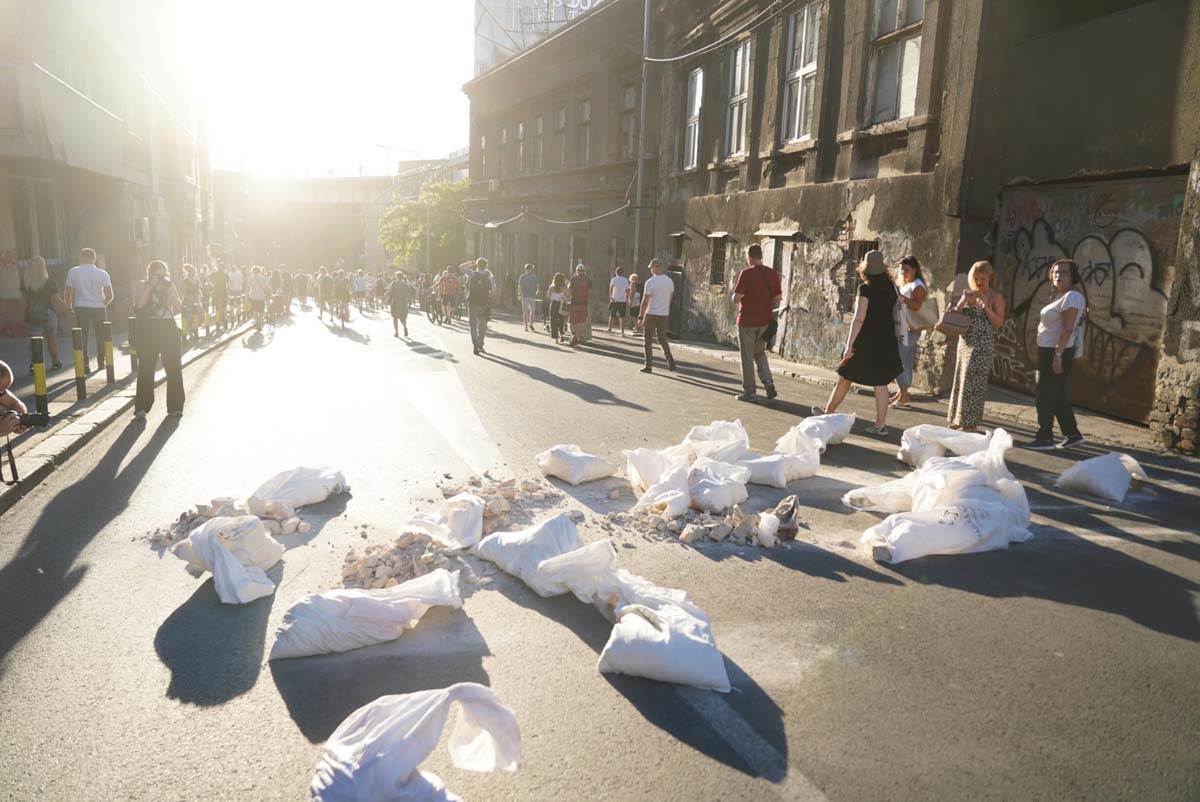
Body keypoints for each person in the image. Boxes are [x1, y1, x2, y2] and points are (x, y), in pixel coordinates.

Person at [813, 250, 902, 436]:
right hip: (886, 340)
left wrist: (849, 345)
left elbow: (859, 318)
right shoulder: (892, 287)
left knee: (845, 376)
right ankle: (880, 425)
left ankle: (828, 411)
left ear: (864, 269)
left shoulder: (865, 288)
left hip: (865, 340)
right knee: (881, 382)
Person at [1027, 259, 1088, 450]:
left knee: (1044, 394)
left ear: (1073, 276)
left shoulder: (1072, 297)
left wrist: (1058, 355)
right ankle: (1072, 434)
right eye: (1055, 272)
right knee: (1058, 393)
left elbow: (1068, 328)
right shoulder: (1061, 296)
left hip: (1055, 351)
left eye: (1064, 272)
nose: (1058, 275)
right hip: (1049, 350)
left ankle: (1045, 437)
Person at [947, 260, 1006, 432]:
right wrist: (962, 301)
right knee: (961, 380)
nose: (979, 282)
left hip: (982, 345)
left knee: (974, 384)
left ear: (990, 278)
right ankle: (959, 418)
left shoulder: (996, 297)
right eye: (976, 278)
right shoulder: (969, 294)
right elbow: (954, 316)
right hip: (965, 343)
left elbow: (999, 322)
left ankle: (970, 424)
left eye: (983, 278)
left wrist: (986, 307)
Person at [132, 260, 184, 418]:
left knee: (173, 367)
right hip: (149, 330)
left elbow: (178, 307)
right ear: (150, 273)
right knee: (146, 368)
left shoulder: (169, 285)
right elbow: (139, 305)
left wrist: (168, 289)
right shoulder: (142, 285)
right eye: (157, 274)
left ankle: (175, 407)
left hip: (168, 327)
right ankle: (142, 407)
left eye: (163, 274)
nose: (161, 277)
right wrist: (151, 285)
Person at [731, 244, 781, 402]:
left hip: (747, 321)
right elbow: (777, 298)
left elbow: (737, 298)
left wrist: (735, 297)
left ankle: (750, 392)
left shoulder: (746, 274)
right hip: (765, 321)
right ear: (761, 256)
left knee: (746, 356)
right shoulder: (772, 273)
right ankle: (768, 383)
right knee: (759, 354)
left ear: (749, 256)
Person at [64, 247, 113, 373]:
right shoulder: (103, 273)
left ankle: (84, 365)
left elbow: (68, 292)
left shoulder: (73, 272)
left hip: (81, 307)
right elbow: (110, 295)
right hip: (98, 308)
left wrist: (69, 308)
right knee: (100, 335)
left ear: (81, 257)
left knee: (83, 336)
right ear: (94, 258)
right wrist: (103, 304)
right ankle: (101, 362)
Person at [891, 255, 928, 409]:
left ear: (914, 270)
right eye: (901, 270)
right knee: (901, 360)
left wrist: (902, 299)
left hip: (910, 329)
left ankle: (905, 395)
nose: (903, 272)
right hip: (902, 327)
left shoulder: (918, 285)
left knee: (901, 361)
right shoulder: (907, 283)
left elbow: (917, 306)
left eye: (906, 270)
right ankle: (902, 392)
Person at [20, 256, 64, 370]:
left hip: (32, 315)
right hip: (49, 314)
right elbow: (56, 299)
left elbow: (24, 300)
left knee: (33, 341)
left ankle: (34, 365)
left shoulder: (25, 283)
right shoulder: (49, 282)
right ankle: (55, 362)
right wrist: (66, 309)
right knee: (51, 338)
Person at [638, 258, 676, 373]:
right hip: (664, 314)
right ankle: (670, 361)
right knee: (662, 339)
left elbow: (645, 301)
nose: (651, 270)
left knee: (648, 340)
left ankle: (648, 365)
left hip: (651, 313)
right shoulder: (669, 281)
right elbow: (670, 298)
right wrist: (665, 309)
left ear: (655, 267)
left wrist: (640, 316)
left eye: (651, 268)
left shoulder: (650, 282)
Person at [460, 258, 494, 354]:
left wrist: (471, 263)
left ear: (477, 265)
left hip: (472, 302)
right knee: (482, 326)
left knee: (473, 325)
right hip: (484, 304)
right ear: (486, 265)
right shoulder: (489, 276)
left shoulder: (472, 274)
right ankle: (480, 343)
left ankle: (475, 344)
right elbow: (493, 290)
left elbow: (460, 267)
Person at [567, 264, 591, 347]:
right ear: (584, 271)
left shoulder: (573, 279)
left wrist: (567, 299)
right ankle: (575, 339)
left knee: (572, 322)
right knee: (579, 323)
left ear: (577, 271)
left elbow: (569, 290)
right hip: (584, 304)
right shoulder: (588, 280)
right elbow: (589, 293)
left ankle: (573, 335)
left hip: (574, 303)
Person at [180, 264, 202, 343]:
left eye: (194, 271)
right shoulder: (185, 281)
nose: (194, 273)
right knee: (188, 319)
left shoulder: (196, 281)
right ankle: (189, 333)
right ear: (190, 272)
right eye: (193, 271)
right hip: (188, 302)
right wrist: (189, 297)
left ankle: (193, 330)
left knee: (199, 317)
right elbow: (183, 292)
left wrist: (200, 298)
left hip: (196, 301)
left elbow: (198, 290)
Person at [607, 266, 631, 336]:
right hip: (622, 300)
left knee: (612, 315)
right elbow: (627, 290)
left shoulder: (613, 279)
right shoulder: (626, 280)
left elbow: (611, 288)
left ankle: (609, 329)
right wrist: (627, 299)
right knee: (622, 316)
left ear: (615, 272)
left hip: (614, 300)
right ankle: (622, 332)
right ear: (623, 273)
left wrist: (610, 297)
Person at [247, 265, 271, 330]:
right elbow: (267, 287)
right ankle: (259, 322)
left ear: (252, 271)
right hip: (261, 297)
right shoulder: (263, 278)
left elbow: (248, 289)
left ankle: (257, 322)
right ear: (259, 271)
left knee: (255, 311)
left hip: (253, 297)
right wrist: (269, 295)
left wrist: (247, 297)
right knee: (261, 312)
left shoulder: (251, 279)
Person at [389, 271, 413, 338]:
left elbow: (391, 293)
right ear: (402, 277)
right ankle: (405, 327)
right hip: (403, 303)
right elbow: (409, 293)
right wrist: (409, 300)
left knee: (395, 318)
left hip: (395, 303)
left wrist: (389, 300)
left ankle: (396, 332)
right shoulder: (405, 285)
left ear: (396, 277)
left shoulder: (394, 283)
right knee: (403, 318)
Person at [547, 272, 568, 343]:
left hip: (554, 304)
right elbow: (566, 298)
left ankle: (556, 339)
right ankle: (562, 335)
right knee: (561, 320)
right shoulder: (564, 287)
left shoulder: (551, 287)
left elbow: (549, 297)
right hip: (561, 304)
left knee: (553, 321)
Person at [518, 264, 540, 331]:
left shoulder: (533, 277)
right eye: (530, 269)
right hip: (526, 296)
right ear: (529, 269)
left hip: (530, 296)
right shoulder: (523, 277)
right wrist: (520, 295)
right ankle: (527, 326)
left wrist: (537, 291)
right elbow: (520, 287)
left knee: (530, 311)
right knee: (527, 311)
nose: (531, 270)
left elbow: (537, 285)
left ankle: (530, 324)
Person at [210, 263, 229, 330]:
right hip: (223, 292)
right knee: (224, 307)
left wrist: (214, 285)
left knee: (217, 307)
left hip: (216, 292)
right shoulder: (224, 274)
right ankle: (224, 321)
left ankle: (218, 322)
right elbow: (228, 283)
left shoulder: (214, 274)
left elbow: (210, 280)